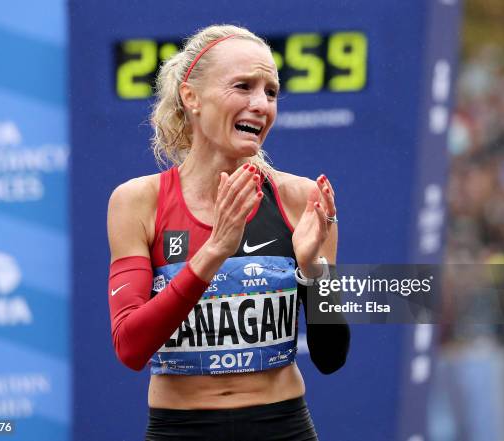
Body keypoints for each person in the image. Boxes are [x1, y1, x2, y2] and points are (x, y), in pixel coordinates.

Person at [107, 24, 350, 441]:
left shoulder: (301, 198)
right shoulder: (137, 201)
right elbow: (130, 347)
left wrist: (313, 271)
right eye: (243, 86)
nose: (261, 104)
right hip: (180, 429)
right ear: (192, 97)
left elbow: (331, 358)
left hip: (283, 426)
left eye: (271, 92)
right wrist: (214, 250)